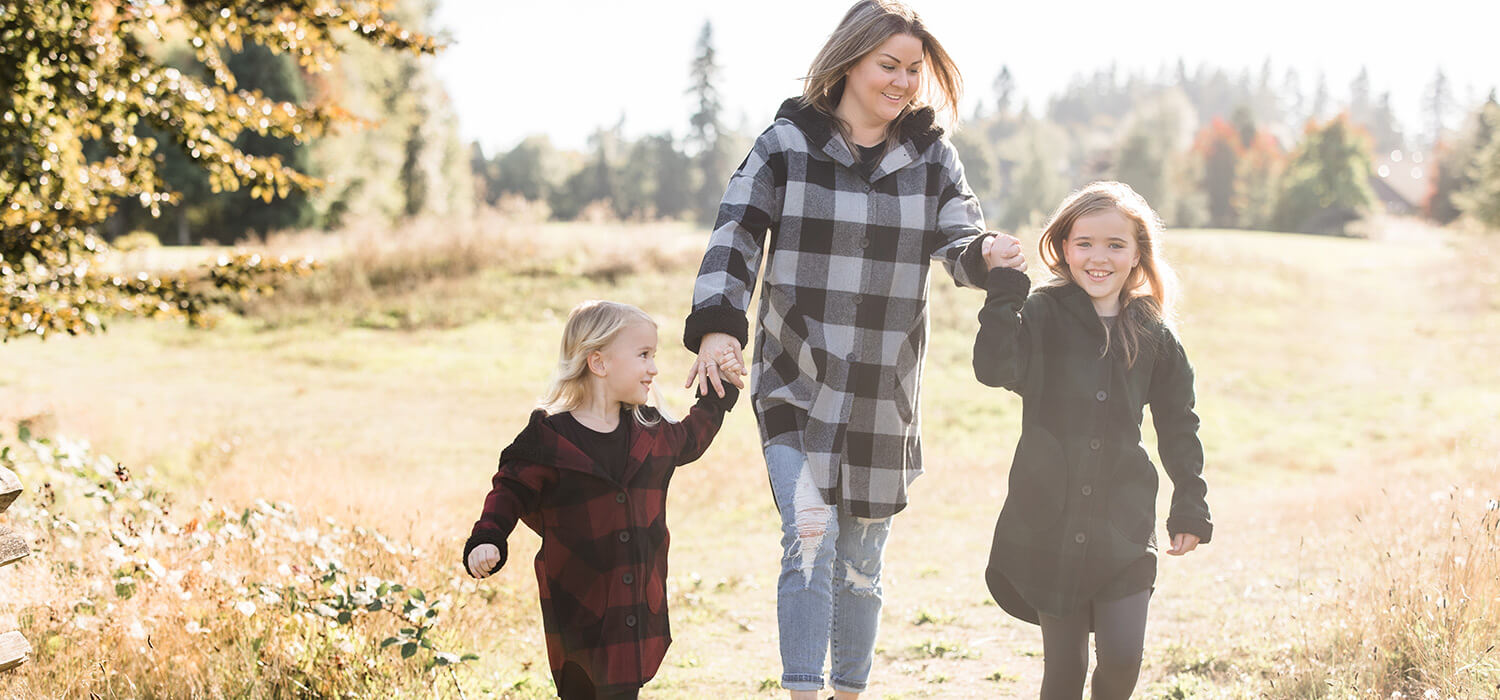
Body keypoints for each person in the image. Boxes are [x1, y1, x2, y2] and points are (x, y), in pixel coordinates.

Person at [681, 2, 992, 696]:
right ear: (850, 61)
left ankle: (848, 691)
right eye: (890, 65)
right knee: (810, 536)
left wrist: (989, 256)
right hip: (795, 379)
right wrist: (719, 325)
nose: (904, 81)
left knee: (861, 559)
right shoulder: (788, 143)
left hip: (884, 390)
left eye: (914, 69)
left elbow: (960, 240)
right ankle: (802, 691)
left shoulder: (932, 155)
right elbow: (735, 231)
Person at [972, 181, 1213, 699]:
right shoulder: (1040, 313)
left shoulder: (1153, 331)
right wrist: (1005, 290)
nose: (1098, 257)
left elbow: (1178, 422)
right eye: (1084, 243)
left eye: (1115, 245)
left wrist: (1191, 503)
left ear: (1137, 255)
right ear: (1063, 248)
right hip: (1050, 525)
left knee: (1123, 659)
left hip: (1123, 527)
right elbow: (993, 369)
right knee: (1064, 670)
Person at [464, 300, 738, 700]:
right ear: (599, 363)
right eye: (644, 355)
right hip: (580, 608)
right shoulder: (549, 438)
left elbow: (692, 436)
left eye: (654, 356)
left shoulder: (650, 431)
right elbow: (509, 490)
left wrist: (719, 386)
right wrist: (488, 536)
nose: (654, 368)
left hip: (635, 607)